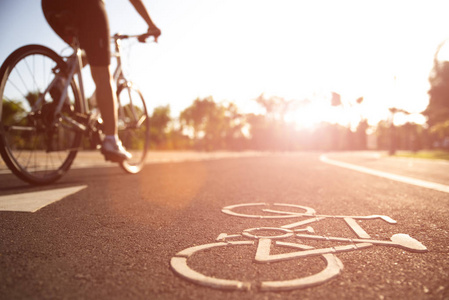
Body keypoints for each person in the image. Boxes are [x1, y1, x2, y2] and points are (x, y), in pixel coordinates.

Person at [41, 0, 161, 162]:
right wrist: (151, 24)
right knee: (103, 73)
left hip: (50, 6)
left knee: (88, 50)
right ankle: (111, 140)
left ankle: (61, 79)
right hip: (85, 6)